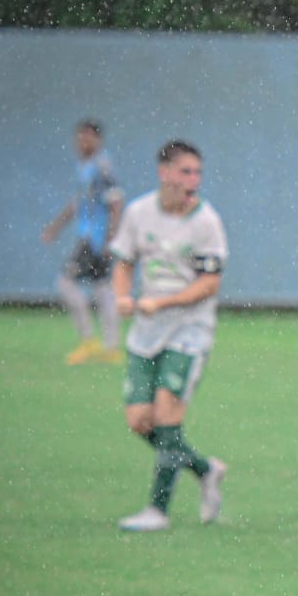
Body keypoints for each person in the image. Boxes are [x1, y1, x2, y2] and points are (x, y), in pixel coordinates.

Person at [109, 140, 228, 533]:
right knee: (140, 421)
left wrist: (163, 303)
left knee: (166, 415)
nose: (193, 180)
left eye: (197, 172)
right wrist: (123, 296)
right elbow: (124, 264)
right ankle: (205, 468)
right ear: (165, 173)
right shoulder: (139, 213)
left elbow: (209, 284)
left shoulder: (206, 221)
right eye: (185, 171)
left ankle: (157, 510)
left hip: (189, 330)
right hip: (146, 331)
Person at [40, 119, 126, 365]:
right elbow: (78, 203)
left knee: (65, 283)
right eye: (80, 137)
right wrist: (55, 227)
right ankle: (111, 348)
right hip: (90, 237)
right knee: (102, 288)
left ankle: (89, 341)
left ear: (98, 140)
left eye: (88, 137)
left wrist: (111, 238)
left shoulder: (102, 167)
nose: (83, 141)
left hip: (95, 239)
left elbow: (116, 203)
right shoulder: (85, 167)